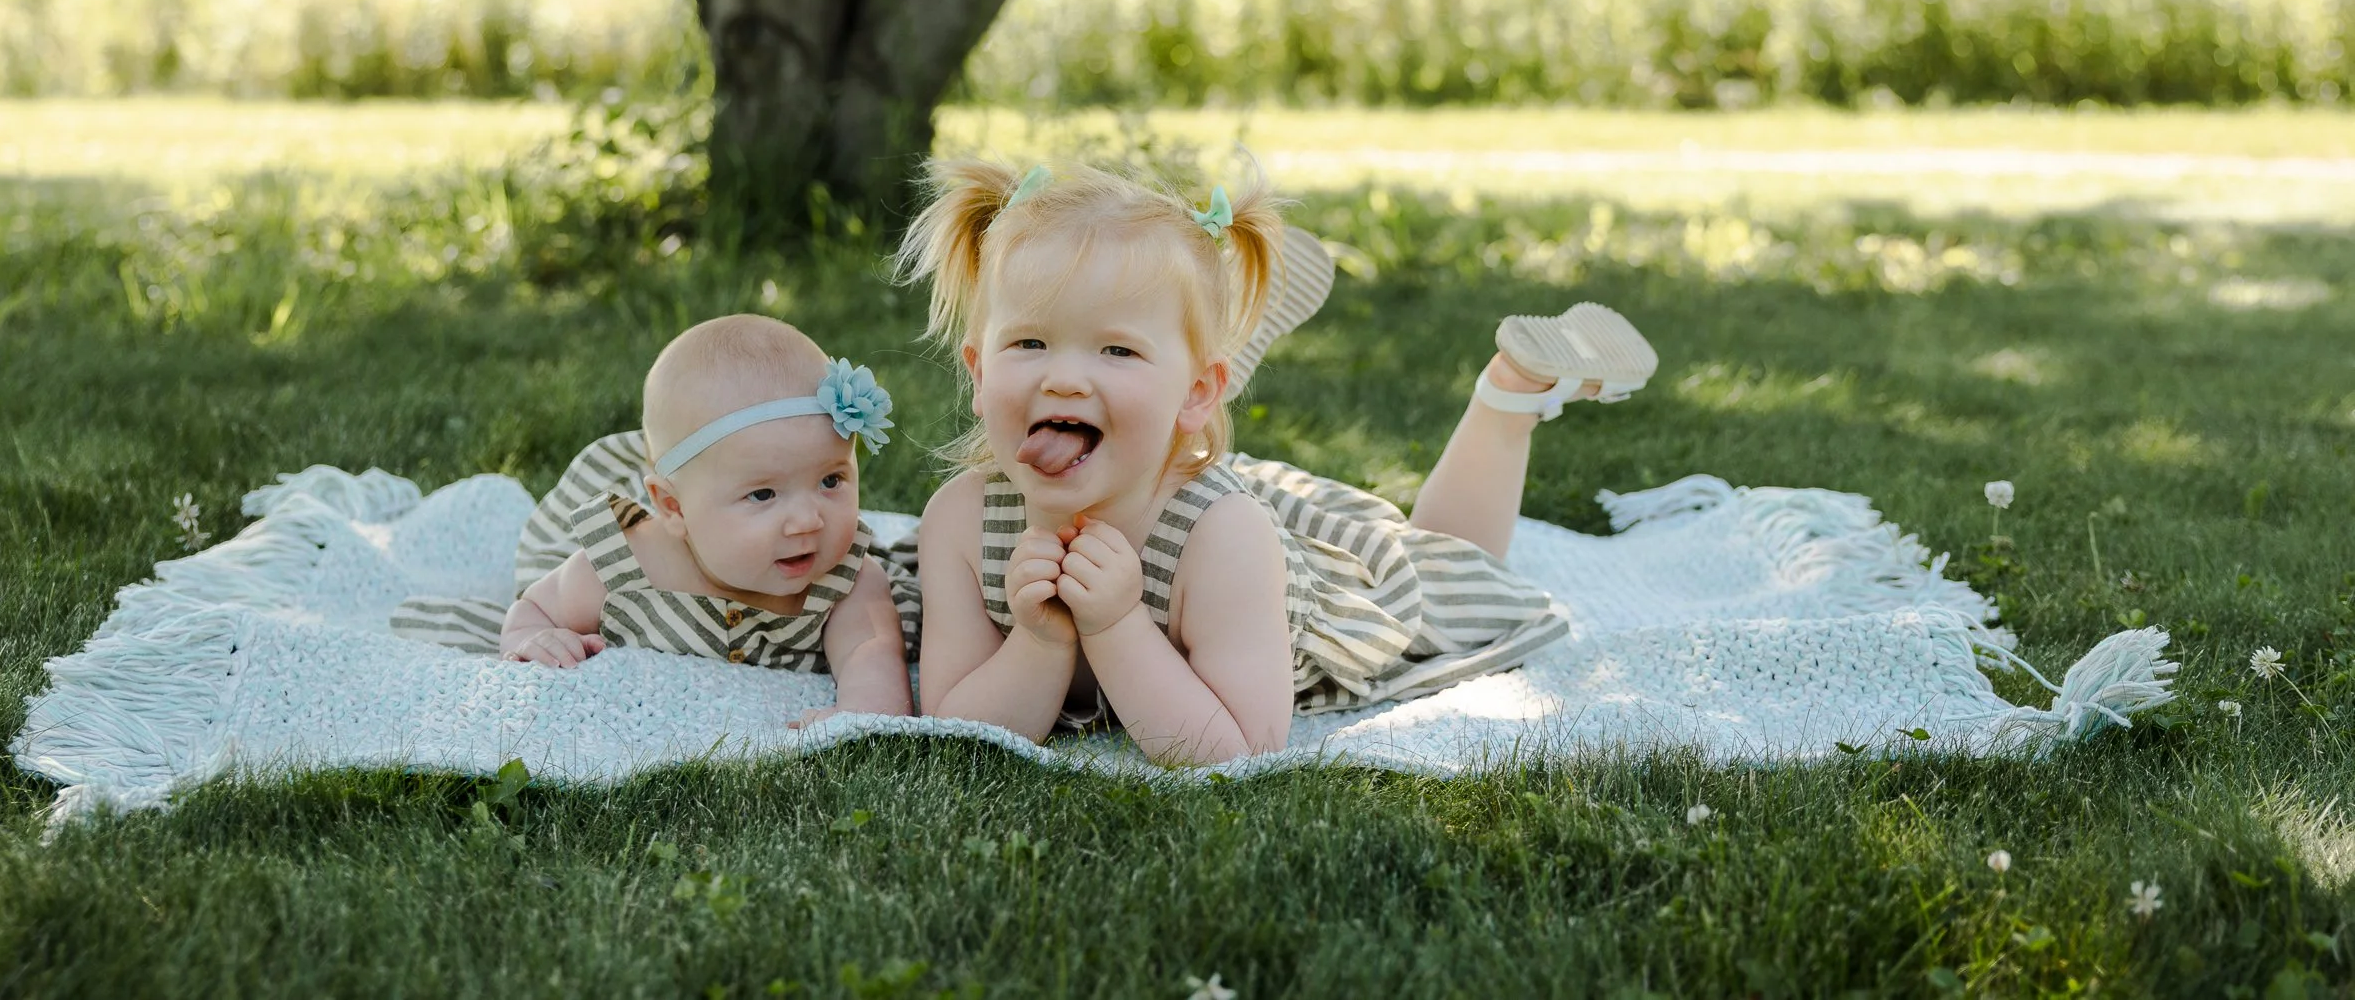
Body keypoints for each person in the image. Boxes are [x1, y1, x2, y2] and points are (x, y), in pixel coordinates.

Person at [898, 159, 1657, 766]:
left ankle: (1507, 396)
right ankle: (1166, 382)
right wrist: (1042, 641)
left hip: (1277, 568)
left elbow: (1238, 746)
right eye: (1027, 344)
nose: (1059, 377)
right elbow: (956, 728)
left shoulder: (1224, 540)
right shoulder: (964, 522)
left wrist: (1122, 622)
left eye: (1115, 348)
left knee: (1450, 569)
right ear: (977, 375)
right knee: (1156, 427)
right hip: (1170, 465)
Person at [390, 314, 916, 729]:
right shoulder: (624, 567)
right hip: (606, 545)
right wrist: (531, 638)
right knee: (542, 566)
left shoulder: (845, 579)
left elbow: (874, 660)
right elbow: (533, 609)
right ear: (673, 509)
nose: (807, 521)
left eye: (831, 481)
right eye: (762, 494)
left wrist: (865, 711)